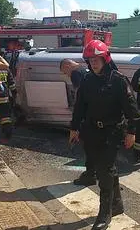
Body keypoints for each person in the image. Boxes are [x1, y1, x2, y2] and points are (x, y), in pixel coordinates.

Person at [70, 40, 140, 230]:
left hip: (112, 132)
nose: (93, 63)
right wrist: (74, 128)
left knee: (104, 170)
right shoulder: (87, 80)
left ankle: (104, 213)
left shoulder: (118, 80)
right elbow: (80, 107)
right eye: (90, 60)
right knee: (106, 169)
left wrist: (131, 132)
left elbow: (132, 110)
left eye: (97, 59)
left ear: (105, 58)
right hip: (91, 131)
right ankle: (116, 205)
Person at [60, 58, 96, 186]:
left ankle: (90, 174)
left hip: (86, 116)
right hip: (95, 113)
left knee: (89, 146)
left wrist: (75, 124)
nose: (67, 75)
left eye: (65, 71)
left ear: (67, 65)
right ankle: (95, 171)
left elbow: (80, 98)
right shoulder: (85, 69)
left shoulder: (76, 73)